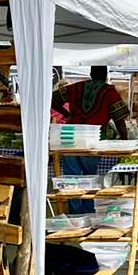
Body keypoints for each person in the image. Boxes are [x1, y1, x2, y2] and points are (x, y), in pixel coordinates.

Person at [51, 66, 129, 214]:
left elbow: (52, 99)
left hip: (71, 138)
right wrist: (124, 139)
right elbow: (119, 119)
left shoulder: (76, 87)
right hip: (93, 139)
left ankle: (75, 215)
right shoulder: (109, 92)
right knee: (89, 179)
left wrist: (66, 114)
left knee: (71, 180)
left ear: (91, 74)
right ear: (106, 75)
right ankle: (87, 214)